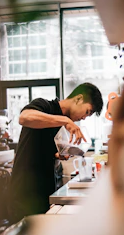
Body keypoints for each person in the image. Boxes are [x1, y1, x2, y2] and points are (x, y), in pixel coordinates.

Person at [9, 82, 103, 223]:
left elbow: (42, 149)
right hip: (24, 191)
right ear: (78, 99)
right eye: (87, 112)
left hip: (43, 192)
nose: (84, 117)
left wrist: (59, 155)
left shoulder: (60, 125)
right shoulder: (44, 105)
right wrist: (64, 121)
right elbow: (24, 117)